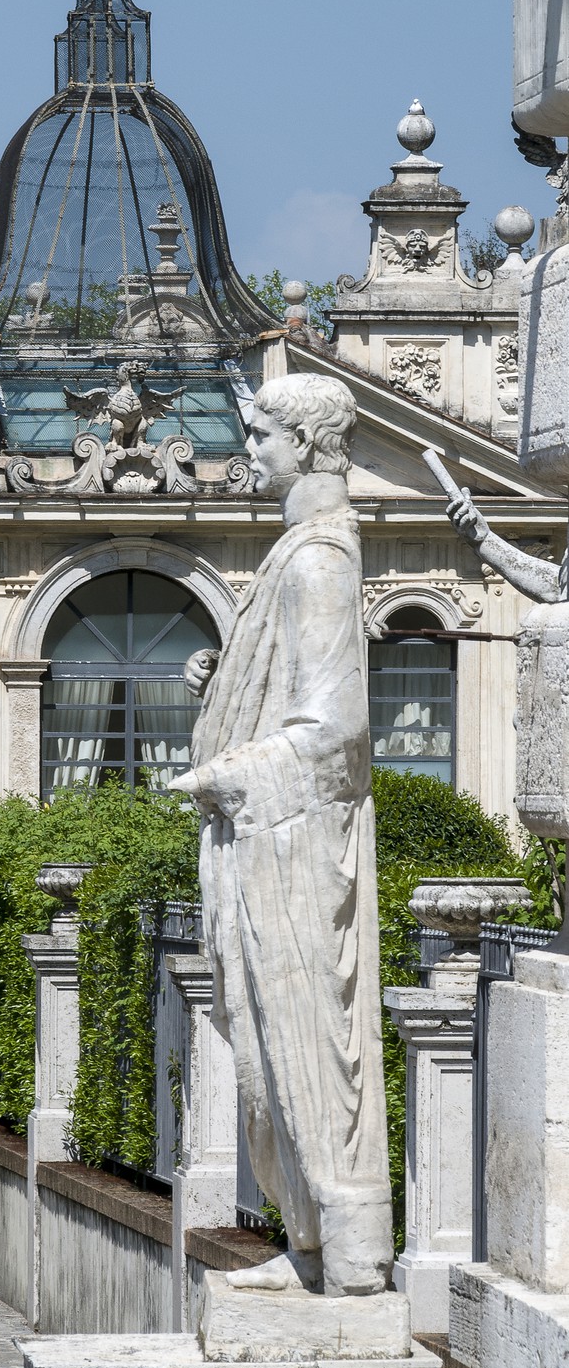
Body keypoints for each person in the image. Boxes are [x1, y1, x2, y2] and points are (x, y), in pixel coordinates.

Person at [171, 373, 392, 1299]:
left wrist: (226, 768)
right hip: (272, 838)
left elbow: (332, 727)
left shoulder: (318, 559)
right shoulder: (295, 552)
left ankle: (346, 1253)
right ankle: (306, 1246)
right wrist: (225, 688)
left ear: (302, 444)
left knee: (303, 1039)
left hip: (298, 844)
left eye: (258, 434)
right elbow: (292, 696)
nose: (247, 450)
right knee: (265, 1045)